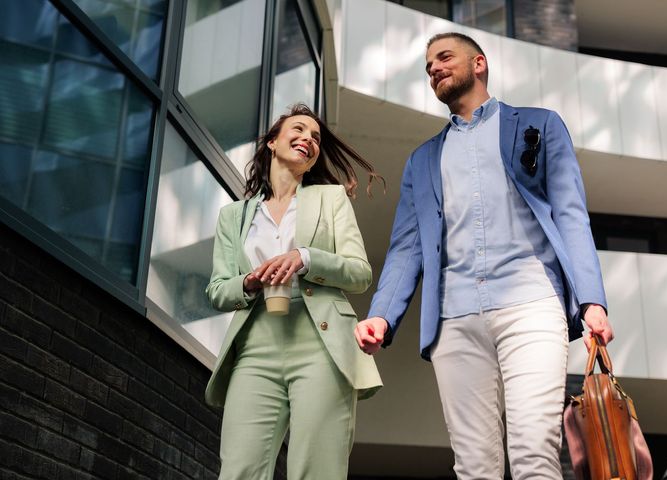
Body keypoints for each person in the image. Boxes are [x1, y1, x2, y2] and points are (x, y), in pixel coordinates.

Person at [354, 33, 614, 479]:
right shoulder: (422, 161)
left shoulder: (541, 124)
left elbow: (571, 215)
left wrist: (591, 299)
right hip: (454, 320)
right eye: (428, 65)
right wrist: (382, 314)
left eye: (444, 57)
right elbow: (407, 247)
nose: (433, 67)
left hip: (532, 305)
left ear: (479, 63)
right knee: (474, 467)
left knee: (535, 453)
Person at [205, 103, 383, 480]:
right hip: (255, 349)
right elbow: (218, 290)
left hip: (320, 346)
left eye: (316, 137)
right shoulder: (233, 216)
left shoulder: (330, 200)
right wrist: (249, 282)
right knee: (239, 470)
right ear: (272, 142)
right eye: (299, 130)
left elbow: (359, 273)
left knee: (316, 470)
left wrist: (305, 258)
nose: (309, 139)